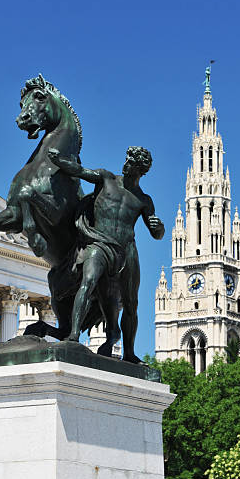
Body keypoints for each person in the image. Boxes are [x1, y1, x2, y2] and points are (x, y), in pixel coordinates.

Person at [47, 145, 164, 363]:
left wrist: (159, 227)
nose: (126, 164)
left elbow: (156, 233)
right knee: (88, 281)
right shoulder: (106, 178)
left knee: (131, 304)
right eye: (126, 160)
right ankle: (73, 335)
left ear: (140, 170)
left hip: (127, 250)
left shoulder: (143, 200)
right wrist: (60, 160)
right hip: (99, 243)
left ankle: (129, 353)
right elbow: (81, 171)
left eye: (131, 163)